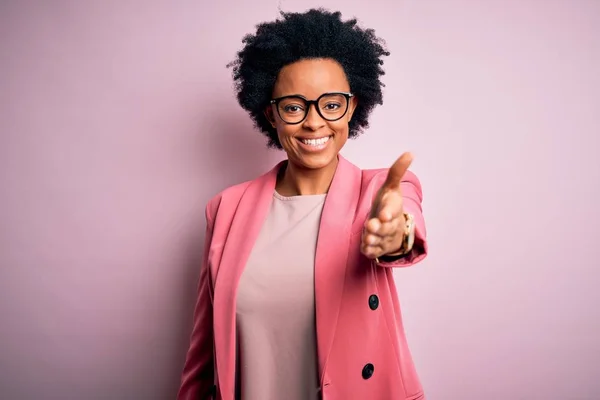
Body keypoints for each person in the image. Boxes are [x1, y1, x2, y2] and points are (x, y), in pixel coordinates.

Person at [178, 8, 428, 400]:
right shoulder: (225, 209)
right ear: (271, 114)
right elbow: (204, 355)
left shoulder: (378, 191)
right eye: (294, 106)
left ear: (353, 108)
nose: (314, 123)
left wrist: (397, 234)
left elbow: (403, 225)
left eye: (331, 104)